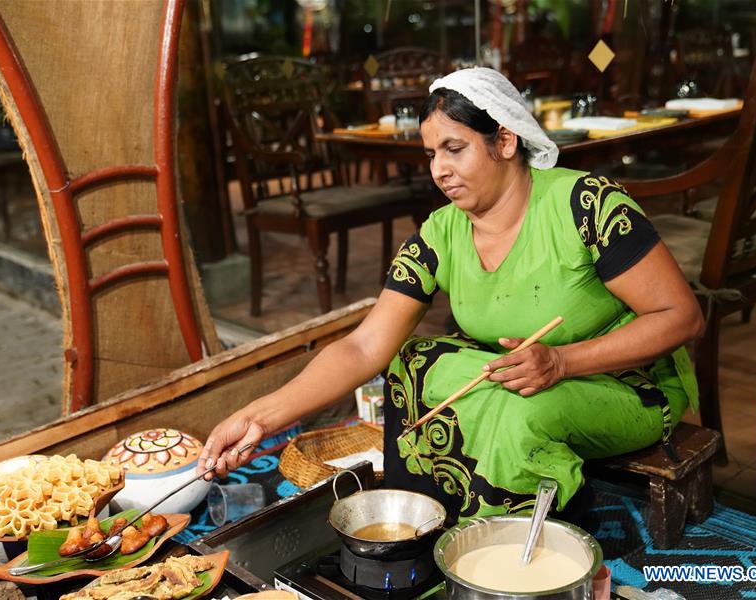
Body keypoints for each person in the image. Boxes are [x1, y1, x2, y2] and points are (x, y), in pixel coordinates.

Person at [198, 67, 704, 522]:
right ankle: (432, 523)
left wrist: (564, 362)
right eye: (431, 154)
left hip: (625, 386)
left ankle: (507, 550)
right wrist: (257, 417)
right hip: (519, 377)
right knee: (411, 363)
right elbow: (364, 347)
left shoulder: (585, 204)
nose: (439, 169)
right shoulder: (441, 232)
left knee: (519, 412)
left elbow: (681, 316)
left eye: (454, 149)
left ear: (504, 141)